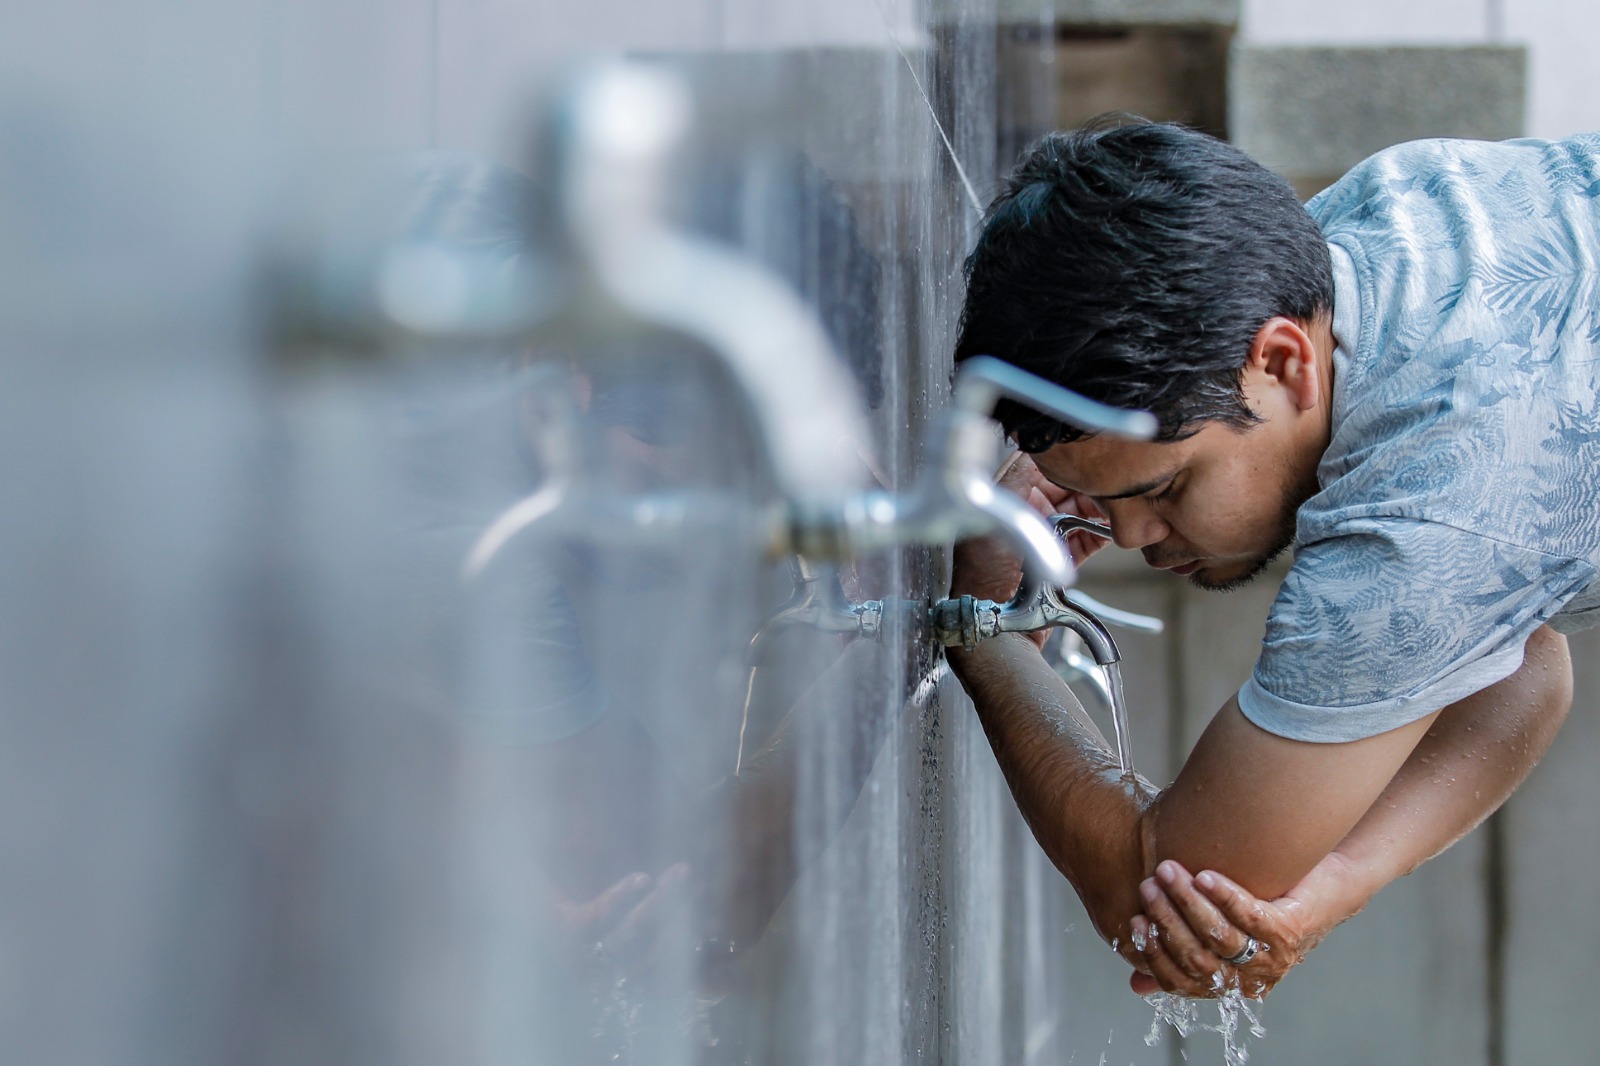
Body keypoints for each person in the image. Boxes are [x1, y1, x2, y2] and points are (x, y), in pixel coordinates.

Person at [946, 120, 1596, 999]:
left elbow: (1164, 890)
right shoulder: (1384, 225)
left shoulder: (1427, 511)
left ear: (1286, 363)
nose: (1130, 536)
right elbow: (1526, 669)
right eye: (1108, 495)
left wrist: (982, 632)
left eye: (1167, 488)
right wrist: (1343, 881)